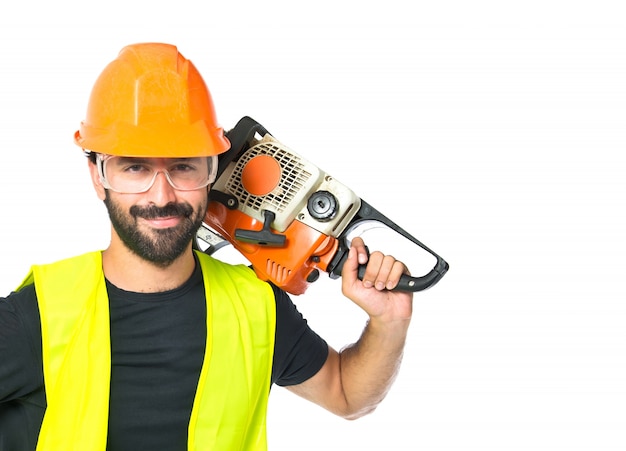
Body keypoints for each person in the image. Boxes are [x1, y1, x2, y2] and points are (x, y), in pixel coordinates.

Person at [0, 43, 413, 450]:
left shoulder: (256, 308)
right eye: (135, 167)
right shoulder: (36, 315)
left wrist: (388, 322)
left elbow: (347, 395)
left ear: (212, 170)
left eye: (183, 166)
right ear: (97, 176)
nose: (161, 195)